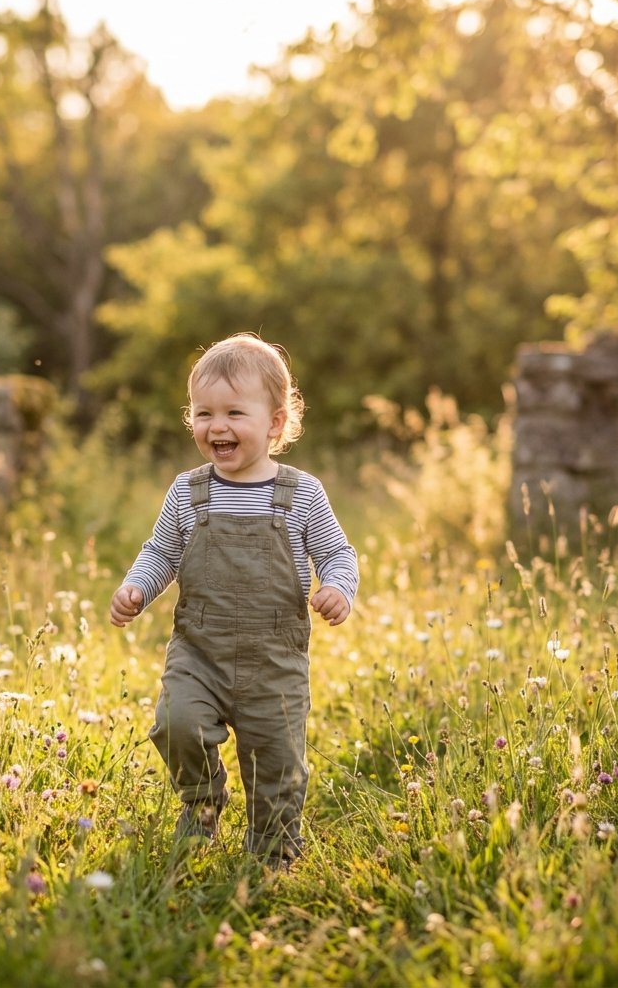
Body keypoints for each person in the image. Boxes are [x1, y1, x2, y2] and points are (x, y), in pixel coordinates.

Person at [109, 332, 358, 868]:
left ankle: (272, 852)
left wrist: (338, 586)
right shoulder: (187, 490)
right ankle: (202, 802)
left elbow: (338, 552)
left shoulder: (302, 493)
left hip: (274, 661)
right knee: (177, 724)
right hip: (200, 650)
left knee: (278, 762)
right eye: (203, 413)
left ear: (274, 423)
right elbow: (161, 553)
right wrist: (137, 588)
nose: (216, 426)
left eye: (233, 413)